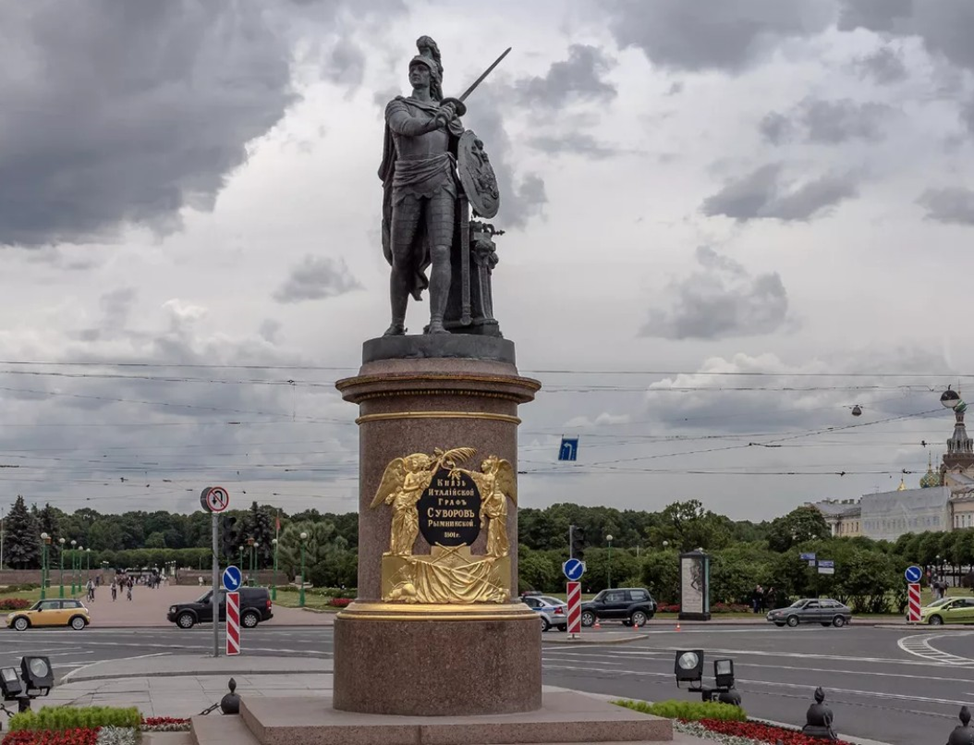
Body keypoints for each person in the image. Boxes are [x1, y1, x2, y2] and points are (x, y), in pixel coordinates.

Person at [378, 35, 464, 336]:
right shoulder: (397, 106)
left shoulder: (446, 114)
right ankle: (397, 324)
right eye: (412, 69)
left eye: (422, 69)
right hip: (406, 184)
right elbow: (406, 127)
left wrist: (453, 124)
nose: (416, 73)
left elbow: (465, 151)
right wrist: (434, 122)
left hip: (441, 181)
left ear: (433, 76)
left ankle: (438, 322)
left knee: (442, 251)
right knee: (401, 257)